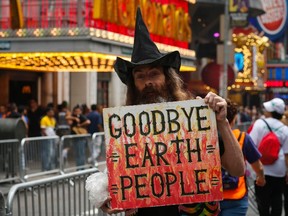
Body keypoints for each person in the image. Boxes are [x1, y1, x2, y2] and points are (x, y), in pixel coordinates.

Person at [99, 8, 245, 216]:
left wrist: (221, 122)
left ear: (168, 78)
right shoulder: (125, 129)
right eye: (139, 76)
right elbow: (120, 180)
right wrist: (110, 197)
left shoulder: (196, 118)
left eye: (154, 74)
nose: (147, 81)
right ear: (133, 84)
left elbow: (238, 170)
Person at [219, 99, 265, 216]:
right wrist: (261, 178)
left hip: (212, 199)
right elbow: (257, 165)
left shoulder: (206, 138)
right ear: (234, 119)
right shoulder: (243, 137)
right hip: (237, 197)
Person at [249, 98, 288, 216]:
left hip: (261, 170)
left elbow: (250, 145)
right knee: (277, 200)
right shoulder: (285, 129)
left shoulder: (260, 123)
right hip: (279, 171)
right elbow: (287, 154)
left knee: (262, 203)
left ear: (270, 111)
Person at [66, 105, 90, 170]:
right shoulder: (74, 117)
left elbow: (88, 122)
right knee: (77, 153)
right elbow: (67, 118)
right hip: (75, 138)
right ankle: (79, 167)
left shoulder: (81, 116)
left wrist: (80, 125)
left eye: (78, 111)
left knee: (80, 153)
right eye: (76, 111)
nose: (77, 112)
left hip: (80, 138)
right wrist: (74, 118)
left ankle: (81, 168)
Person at [40, 106, 57, 171]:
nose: (52, 113)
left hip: (52, 139)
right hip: (46, 139)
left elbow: (53, 129)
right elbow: (43, 130)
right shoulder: (44, 119)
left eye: (53, 112)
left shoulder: (53, 119)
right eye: (51, 112)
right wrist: (47, 137)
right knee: (46, 153)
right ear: (47, 112)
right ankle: (45, 167)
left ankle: (50, 167)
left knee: (52, 153)